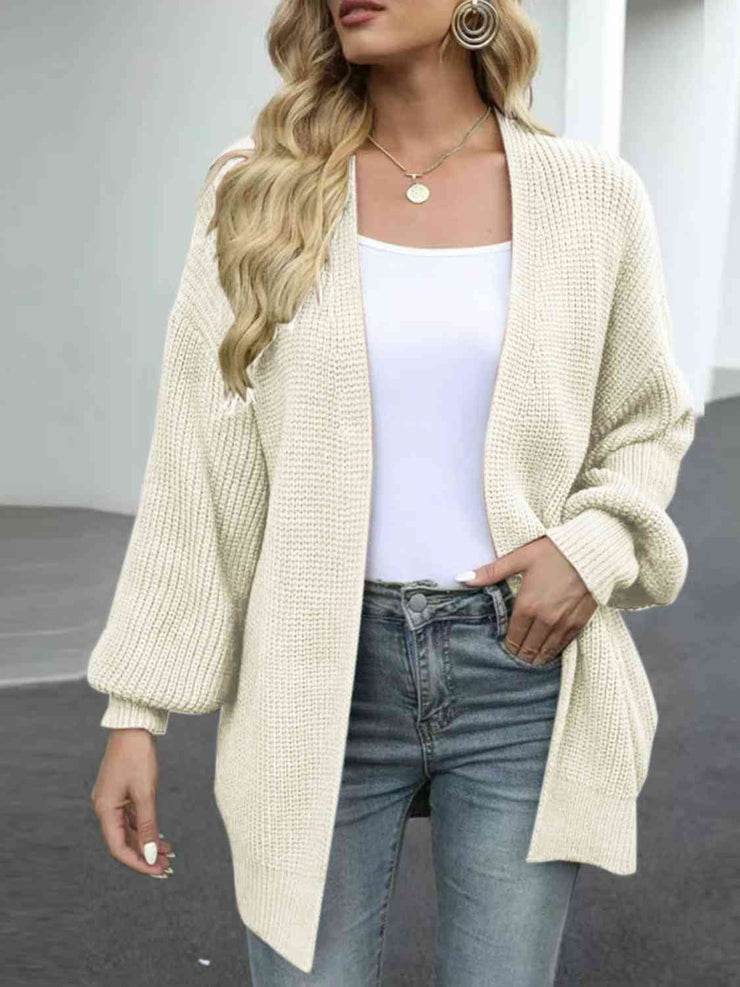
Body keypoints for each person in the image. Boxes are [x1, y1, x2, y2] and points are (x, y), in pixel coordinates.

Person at [87, 1, 697, 984]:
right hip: (314, 669)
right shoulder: (261, 189)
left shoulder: (591, 195)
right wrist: (135, 710)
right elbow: (198, 468)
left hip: (521, 664)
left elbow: (645, 418)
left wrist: (589, 549)